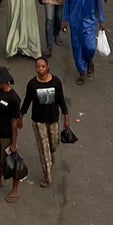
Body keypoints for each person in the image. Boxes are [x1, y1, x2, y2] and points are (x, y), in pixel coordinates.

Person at [23, 56, 68, 190]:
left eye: (43, 66)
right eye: (38, 67)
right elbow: (27, 101)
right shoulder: (32, 84)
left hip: (53, 119)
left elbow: (61, 100)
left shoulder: (56, 82)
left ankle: (50, 154)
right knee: (44, 147)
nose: (40, 69)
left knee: (53, 144)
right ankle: (47, 175)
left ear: (47, 67)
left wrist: (66, 117)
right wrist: (20, 116)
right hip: (38, 120)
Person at [62, 0, 105, 84]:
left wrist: (101, 19)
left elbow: (98, 2)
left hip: (89, 19)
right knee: (77, 46)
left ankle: (89, 61)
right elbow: (67, 2)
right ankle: (82, 71)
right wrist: (65, 19)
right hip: (75, 19)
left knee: (90, 46)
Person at [0, 67, 24, 203]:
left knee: (11, 163)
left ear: (5, 82)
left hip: (6, 135)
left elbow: (14, 122)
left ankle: (15, 189)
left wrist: (13, 143)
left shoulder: (13, 98)